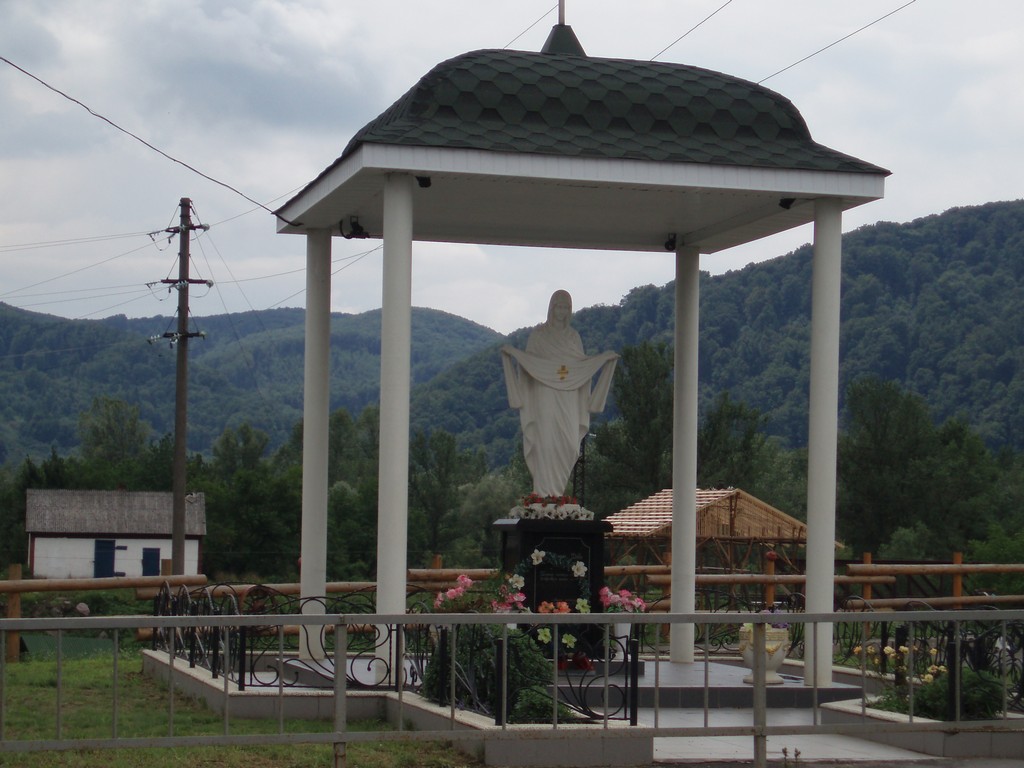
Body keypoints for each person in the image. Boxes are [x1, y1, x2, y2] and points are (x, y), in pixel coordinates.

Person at [501, 290, 618, 498]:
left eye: (566, 308)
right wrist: (515, 355)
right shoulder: (539, 336)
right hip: (544, 392)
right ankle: (543, 493)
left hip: (570, 393)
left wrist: (602, 359)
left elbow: (581, 366)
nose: (562, 312)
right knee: (545, 438)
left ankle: (557, 495)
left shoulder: (573, 337)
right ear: (552, 308)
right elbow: (530, 365)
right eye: (559, 307)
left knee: (570, 443)